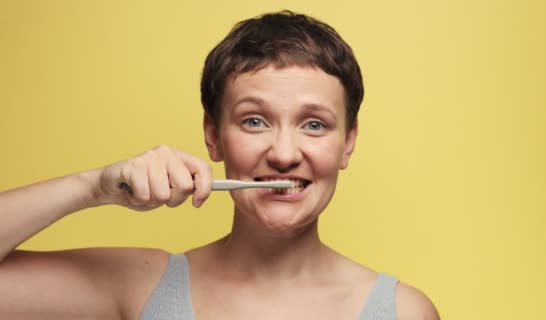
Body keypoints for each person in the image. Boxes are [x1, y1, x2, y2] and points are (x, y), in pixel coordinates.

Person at [0, 11, 439, 320]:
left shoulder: (402, 312)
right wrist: (92, 186)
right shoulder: (142, 286)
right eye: (254, 120)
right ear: (213, 135)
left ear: (348, 143)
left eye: (314, 124)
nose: (284, 153)